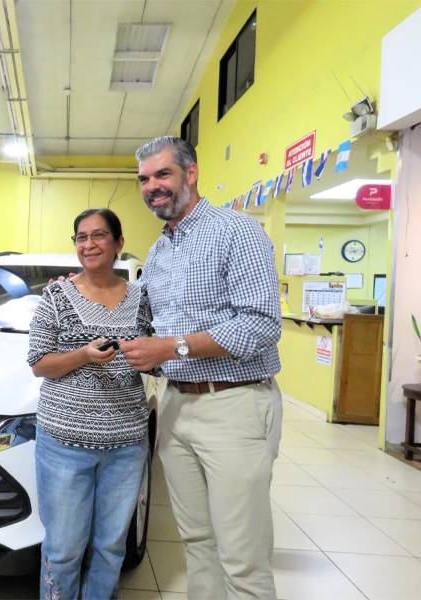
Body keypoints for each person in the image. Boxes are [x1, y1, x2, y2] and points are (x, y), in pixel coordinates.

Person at [120, 136, 282, 600]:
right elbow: (143, 315)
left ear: (190, 173)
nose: (152, 187)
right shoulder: (160, 250)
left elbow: (259, 326)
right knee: (197, 544)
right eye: (144, 179)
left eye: (162, 175)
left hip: (233, 403)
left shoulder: (237, 231)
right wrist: (87, 288)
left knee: (242, 559)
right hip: (176, 405)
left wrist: (172, 349)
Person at [28, 208, 152, 600]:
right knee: (64, 551)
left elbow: (156, 354)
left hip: (126, 443)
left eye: (99, 235)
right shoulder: (56, 295)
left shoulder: (141, 297)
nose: (89, 244)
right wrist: (82, 354)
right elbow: (39, 363)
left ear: (118, 243)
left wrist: (147, 356)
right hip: (64, 443)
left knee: (111, 546)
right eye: (81, 237)